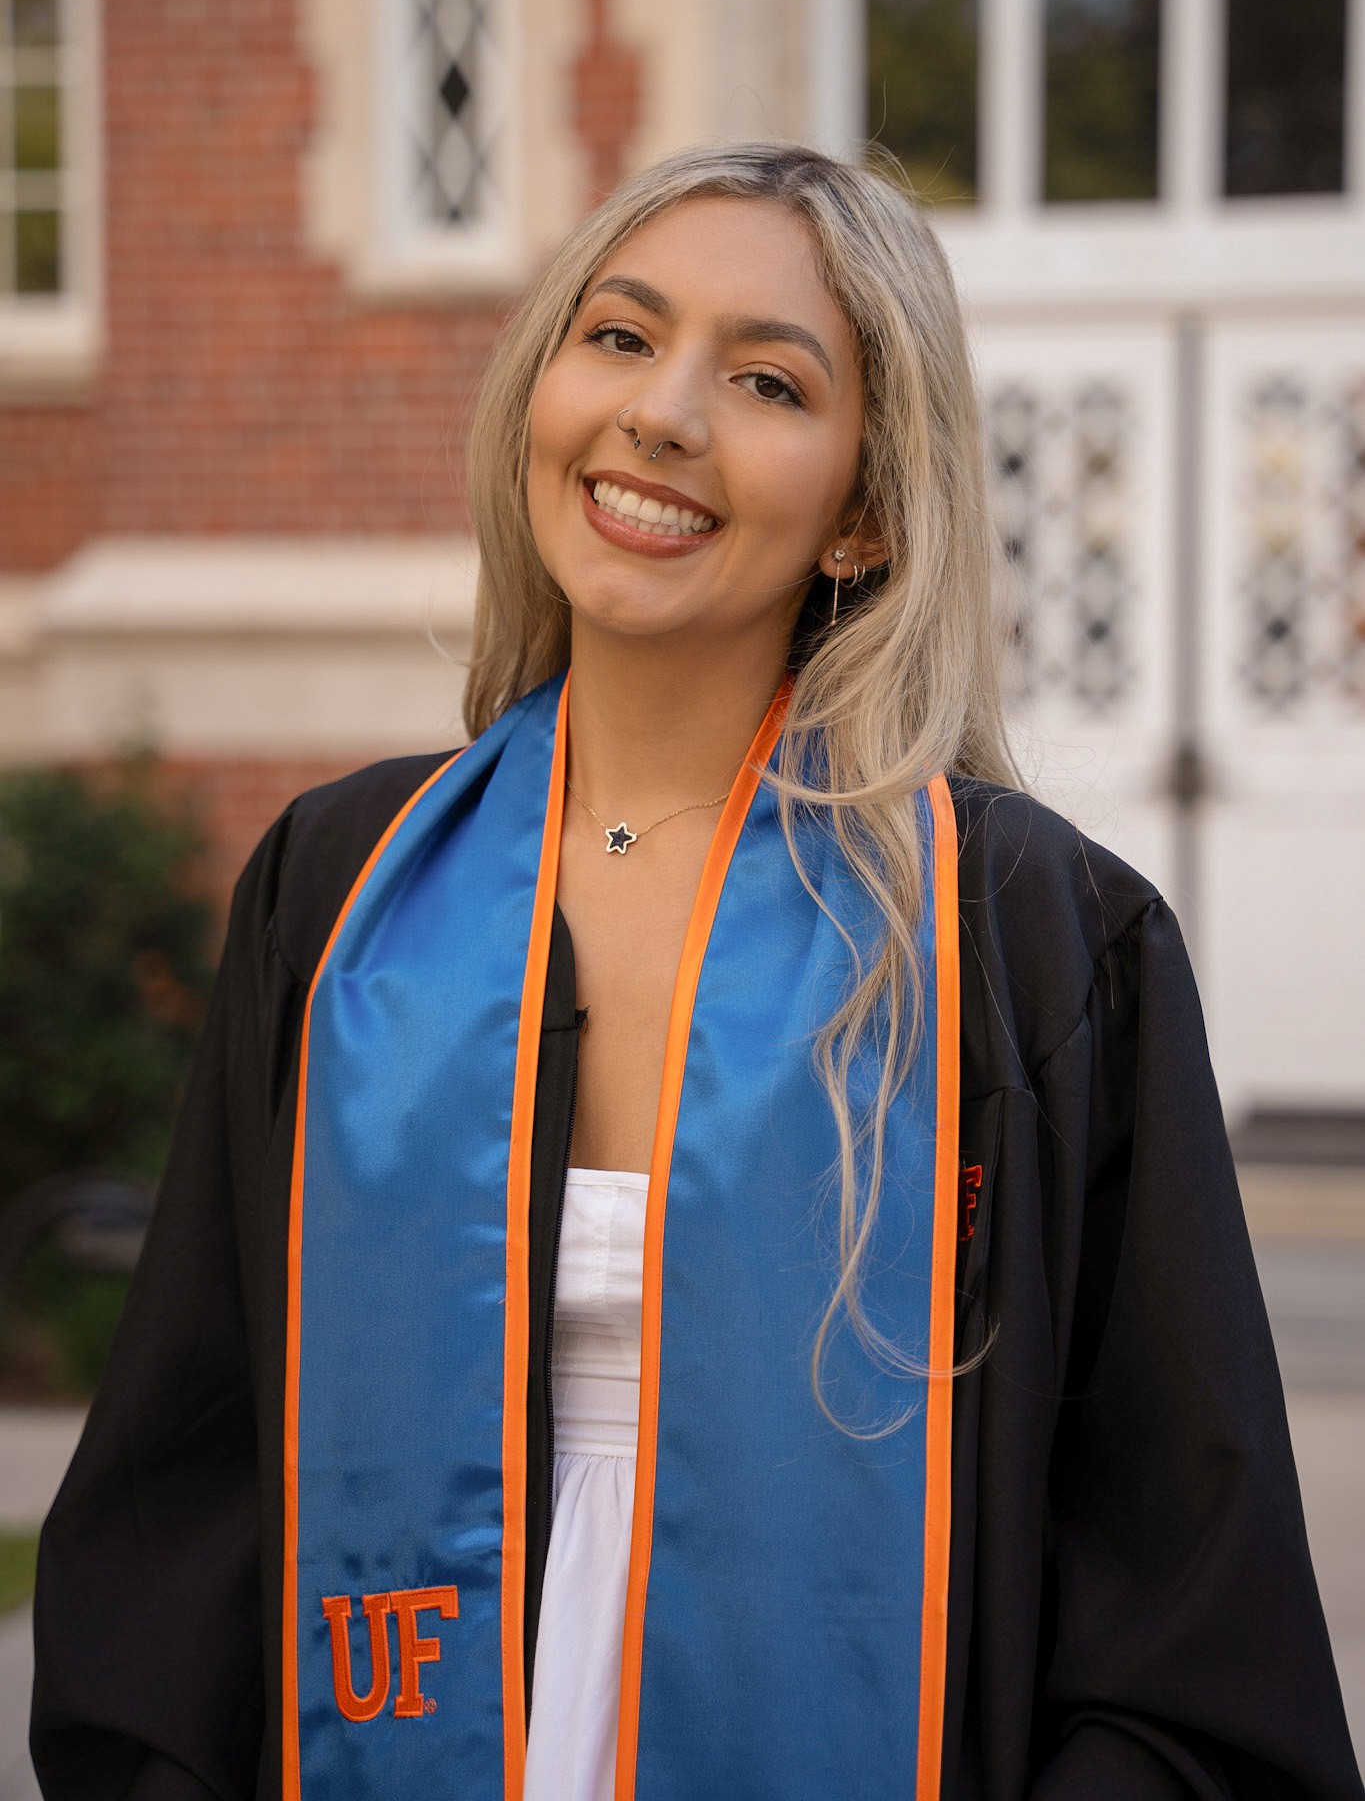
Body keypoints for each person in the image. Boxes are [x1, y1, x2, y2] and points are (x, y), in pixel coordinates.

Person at [30, 143, 1362, 1801]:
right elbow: (182, 1512)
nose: (660, 414)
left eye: (763, 379)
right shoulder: (342, 893)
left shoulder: (1025, 944)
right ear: (539, 392)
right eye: (617, 337)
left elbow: (1182, 1621)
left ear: (868, 513)